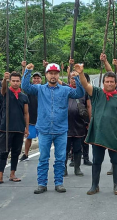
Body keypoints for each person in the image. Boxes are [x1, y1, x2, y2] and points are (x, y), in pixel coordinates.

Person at [22, 62, 85, 194]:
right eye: (50, 73)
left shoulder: (65, 89)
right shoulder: (39, 89)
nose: (53, 76)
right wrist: (27, 72)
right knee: (43, 158)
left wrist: (77, 76)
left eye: (55, 73)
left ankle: (59, 183)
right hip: (44, 130)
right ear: (46, 75)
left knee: (61, 158)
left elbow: (80, 92)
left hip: (61, 130)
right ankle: (42, 184)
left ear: (58, 75)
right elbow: (25, 87)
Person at [75, 64, 117, 195]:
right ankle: (95, 185)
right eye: (107, 81)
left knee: (116, 161)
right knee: (97, 161)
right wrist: (81, 73)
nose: (109, 84)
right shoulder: (97, 93)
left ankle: (116, 186)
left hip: (115, 134)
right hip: (98, 134)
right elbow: (85, 85)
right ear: (103, 82)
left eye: (112, 82)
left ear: (116, 83)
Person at [0, 71, 29, 185]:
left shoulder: (24, 96)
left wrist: (26, 127)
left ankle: (13, 174)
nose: (15, 83)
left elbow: (26, 113)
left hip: (19, 128)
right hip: (5, 128)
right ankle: (0, 176)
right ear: (10, 82)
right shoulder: (6, 93)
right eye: (13, 81)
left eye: (17, 81)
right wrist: (4, 80)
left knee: (16, 153)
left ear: (20, 82)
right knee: (3, 152)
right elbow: (3, 88)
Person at [64, 70, 91, 177]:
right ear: (69, 79)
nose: (74, 80)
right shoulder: (65, 90)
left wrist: (89, 120)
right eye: (72, 78)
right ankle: (63, 168)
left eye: (76, 78)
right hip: (65, 124)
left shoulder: (84, 91)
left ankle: (77, 167)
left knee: (77, 148)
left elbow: (89, 106)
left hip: (79, 124)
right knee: (64, 149)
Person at [19, 69, 42, 161]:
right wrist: (24, 68)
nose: (36, 80)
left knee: (42, 139)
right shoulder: (29, 89)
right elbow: (24, 85)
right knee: (28, 138)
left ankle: (43, 154)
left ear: (41, 79)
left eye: (38, 78)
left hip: (41, 119)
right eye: (34, 78)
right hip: (31, 119)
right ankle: (26, 154)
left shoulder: (43, 89)